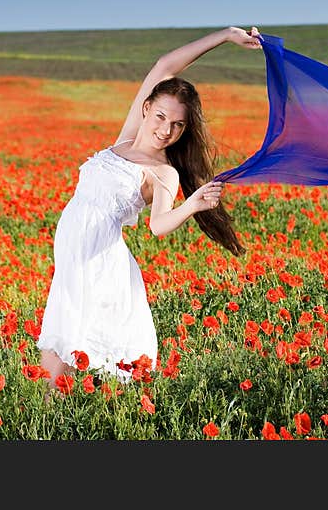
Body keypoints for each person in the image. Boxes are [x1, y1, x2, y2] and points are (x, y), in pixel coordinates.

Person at [36, 26, 263, 391]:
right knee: (62, 332)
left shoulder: (163, 172)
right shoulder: (126, 138)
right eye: (160, 117)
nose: (166, 130)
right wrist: (225, 36)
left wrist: (190, 205)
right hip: (74, 254)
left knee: (81, 338)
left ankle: (85, 416)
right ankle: (48, 418)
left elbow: (157, 226)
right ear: (146, 109)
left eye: (177, 125)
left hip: (99, 260)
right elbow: (164, 65)